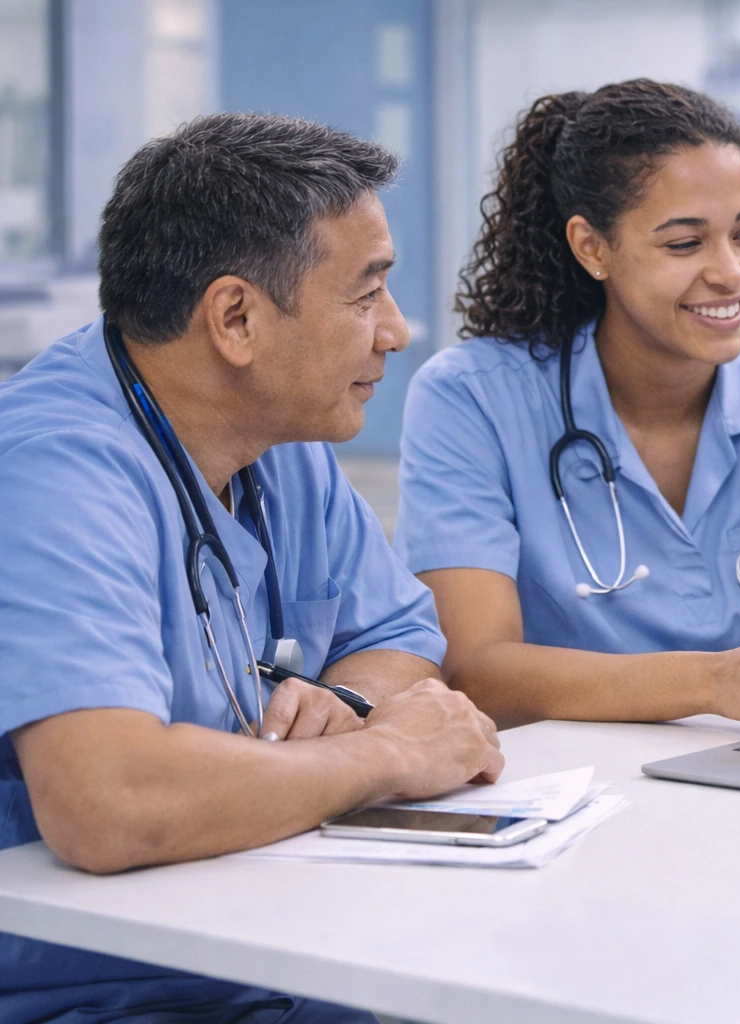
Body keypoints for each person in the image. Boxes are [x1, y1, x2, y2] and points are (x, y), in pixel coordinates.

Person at [0, 113, 504, 1022]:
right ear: (236, 318)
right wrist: (384, 751)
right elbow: (106, 802)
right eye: (366, 295)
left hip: (274, 934)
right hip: (97, 983)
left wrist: (346, 703)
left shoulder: (272, 437)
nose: (395, 330)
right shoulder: (53, 469)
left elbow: (395, 635)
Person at [393, 79, 740, 728]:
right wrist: (714, 679)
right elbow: (477, 670)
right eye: (684, 244)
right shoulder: (471, 398)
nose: (731, 273)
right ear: (593, 248)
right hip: (566, 782)